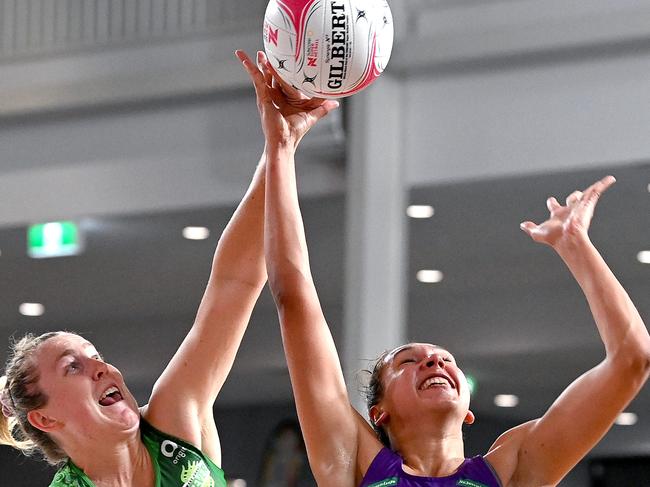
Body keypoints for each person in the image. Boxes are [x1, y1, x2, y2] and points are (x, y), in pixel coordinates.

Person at [240, 49, 650, 487]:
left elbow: (633, 359)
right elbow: (294, 297)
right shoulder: (355, 461)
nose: (434, 360)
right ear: (379, 413)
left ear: (469, 408)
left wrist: (576, 246)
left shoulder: (513, 469)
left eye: (444, 358)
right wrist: (280, 147)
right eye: (409, 360)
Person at [0, 61, 272, 485]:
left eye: (97, 357)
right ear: (45, 418)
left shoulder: (175, 426)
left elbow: (235, 285)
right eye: (73, 366)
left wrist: (281, 146)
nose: (102, 369)